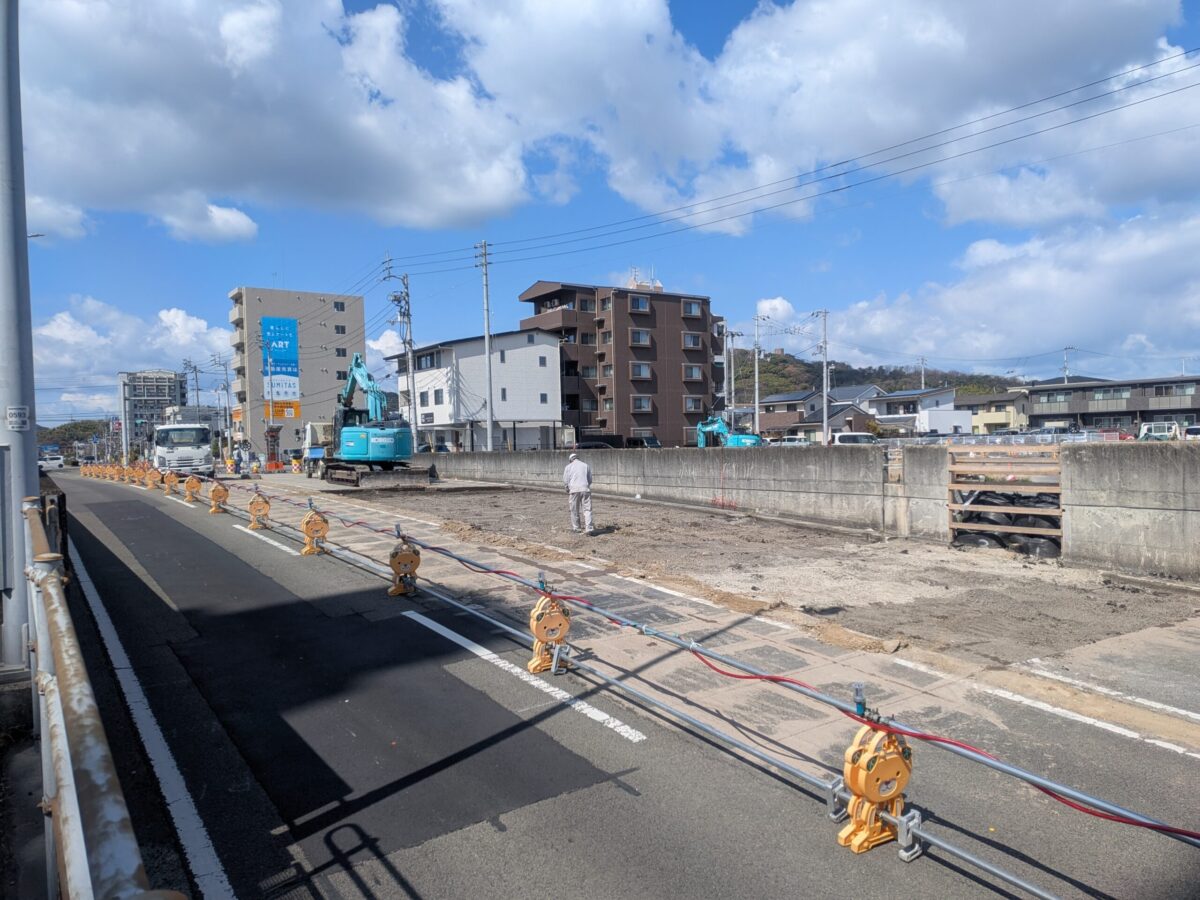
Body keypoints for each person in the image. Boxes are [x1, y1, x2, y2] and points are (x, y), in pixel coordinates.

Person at [562, 452, 594, 534]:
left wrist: (567, 489)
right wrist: (586, 486)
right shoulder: (585, 465)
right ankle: (589, 529)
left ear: (570, 460)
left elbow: (566, 480)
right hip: (585, 489)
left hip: (574, 490)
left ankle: (577, 528)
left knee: (574, 510)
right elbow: (590, 479)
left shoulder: (568, 467)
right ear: (577, 458)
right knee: (587, 510)